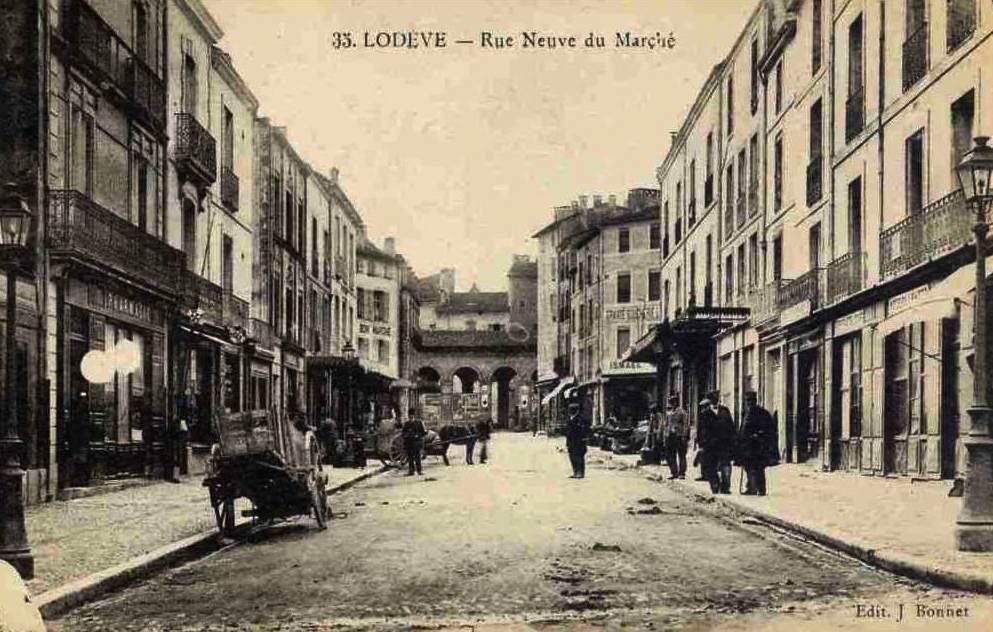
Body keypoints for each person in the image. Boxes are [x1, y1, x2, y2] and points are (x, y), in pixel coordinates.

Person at [737, 391, 777, 495]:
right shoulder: (746, 413)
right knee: (748, 467)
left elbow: (769, 429)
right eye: (747, 401)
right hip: (747, 446)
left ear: (755, 401)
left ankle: (761, 489)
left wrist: (758, 435)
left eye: (751, 401)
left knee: (758, 468)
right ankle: (751, 487)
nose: (749, 403)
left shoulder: (762, 413)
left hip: (758, 446)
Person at [698, 392, 736, 494]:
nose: (715, 400)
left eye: (717, 398)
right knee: (711, 466)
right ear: (710, 400)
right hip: (710, 445)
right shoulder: (704, 414)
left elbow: (731, 427)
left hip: (724, 444)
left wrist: (734, 441)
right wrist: (701, 445)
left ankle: (725, 487)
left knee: (726, 466)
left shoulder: (725, 411)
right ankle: (715, 485)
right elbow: (700, 431)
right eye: (713, 398)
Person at [665, 395, 690, 479]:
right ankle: (674, 472)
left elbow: (686, 425)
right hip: (671, 436)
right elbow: (667, 425)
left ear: (676, 402)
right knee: (671, 455)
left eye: (672, 402)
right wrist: (666, 434)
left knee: (681, 455)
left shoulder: (682, 412)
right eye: (670, 402)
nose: (671, 404)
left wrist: (684, 436)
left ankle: (682, 473)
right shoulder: (669, 413)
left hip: (679, 436)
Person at [565, 401, 589, 478]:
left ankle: (580, 472)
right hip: (571, 442)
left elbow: (583, 430)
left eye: (572, 410)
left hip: (579, 442)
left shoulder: (580, 419)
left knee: (579, 457)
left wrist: (584, 439)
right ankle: (575, 471)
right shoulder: (570, 419)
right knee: (572, 457)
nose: (570, 411)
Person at [401, 407, 427, 476]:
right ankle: (411, 471)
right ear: (408, 416)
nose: (411, 417)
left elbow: (424, 432)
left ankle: (419, 471)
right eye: (410, 416)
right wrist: (406, 435)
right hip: (409, 443)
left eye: (412, 415)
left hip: (416, 443)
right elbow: (403, 433)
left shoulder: (419, 422)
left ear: (414, 416)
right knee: (410, 458)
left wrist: (418, 435)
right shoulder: (406, 424)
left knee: (417, 457)